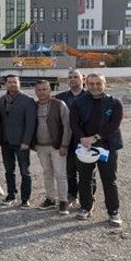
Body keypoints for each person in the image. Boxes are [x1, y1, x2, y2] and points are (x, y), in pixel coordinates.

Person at [69, 73, 124, 227]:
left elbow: (114, 124)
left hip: (107, 148)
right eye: (91, 83)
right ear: (86, 84)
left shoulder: (114, 103)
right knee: (85, 179)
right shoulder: (78, 103)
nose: (95, 86)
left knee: (109, 180)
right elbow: (73, 123)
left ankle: (113, 211)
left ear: (104, 83)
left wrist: (96, 137)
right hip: (85, 147)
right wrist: (82, 138)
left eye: (98, 83)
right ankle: (86, 206)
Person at [32, 80, 72, 215]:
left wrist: (64, 145)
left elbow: (67, 126)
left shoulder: (59, 104)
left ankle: (63, 201)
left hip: (57, 147)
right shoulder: (34, 106)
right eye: (39, 90)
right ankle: (50, 199)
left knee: (60, 174)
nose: (42, 92)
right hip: (40, 147)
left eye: (45, 89)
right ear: (35, 92)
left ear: (50, 90)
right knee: (47, 173)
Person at [0, 75, 37, 208]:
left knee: (24, 171)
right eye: (9, 82)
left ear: (19, 83)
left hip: (22, 142)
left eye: (15, 82)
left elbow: (30, 123)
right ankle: (11, 195)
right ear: (6, 84)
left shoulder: (28, 100)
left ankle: (25, 198)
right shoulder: (2, 99)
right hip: (6, 142)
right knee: (9, 171)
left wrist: (26, 141)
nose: (12, 84)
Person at [55, 69, 88, 206]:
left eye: (76, 76)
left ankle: (87, 200)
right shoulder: (59, 98)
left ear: (83, 79)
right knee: (70, 171)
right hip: (67, 140)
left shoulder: (90, 96)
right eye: (70, 77)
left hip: (85, 140)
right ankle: (72, 196)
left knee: (86, 172)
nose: (73, 79)